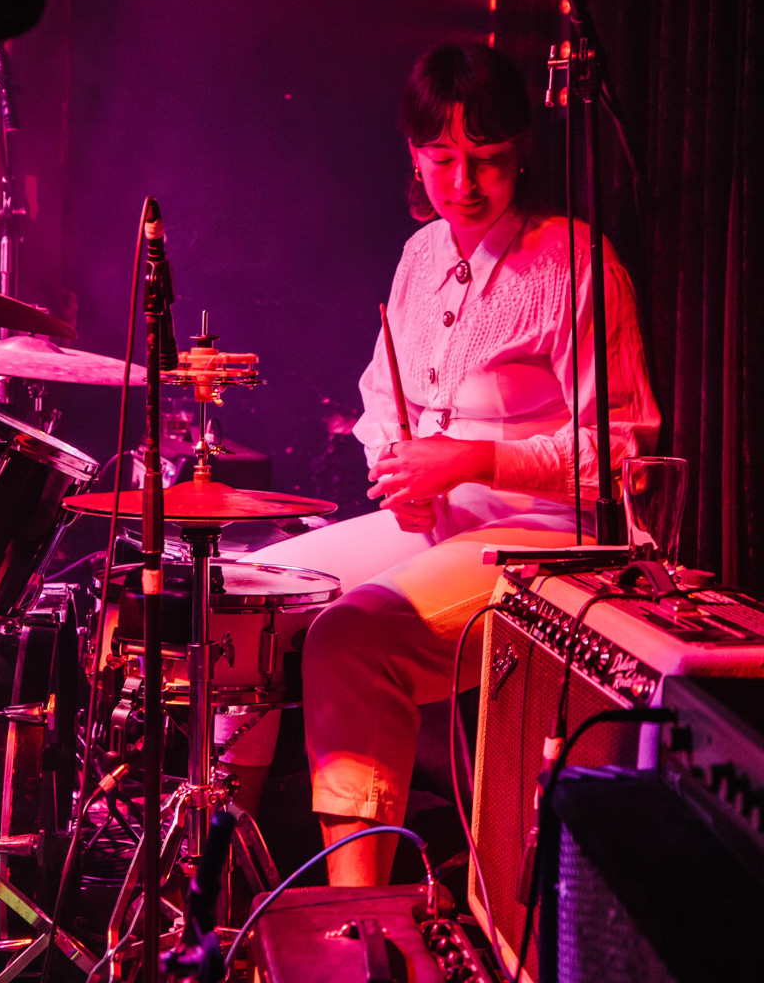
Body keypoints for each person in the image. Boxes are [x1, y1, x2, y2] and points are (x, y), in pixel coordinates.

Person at [239, 43, 660, 886]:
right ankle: (218, 869)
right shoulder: (420, 255)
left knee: (351, 638)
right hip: (436, 525)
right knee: (243, 599)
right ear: (413, 154)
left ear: (521, 153)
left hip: (546, 540)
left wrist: (473, 460)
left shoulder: (577, 261)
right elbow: (380, 399)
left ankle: (355, 915)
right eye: (443, 157)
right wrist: (395, 469)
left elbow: (623, 448)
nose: (464, 182)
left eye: (487, 158)